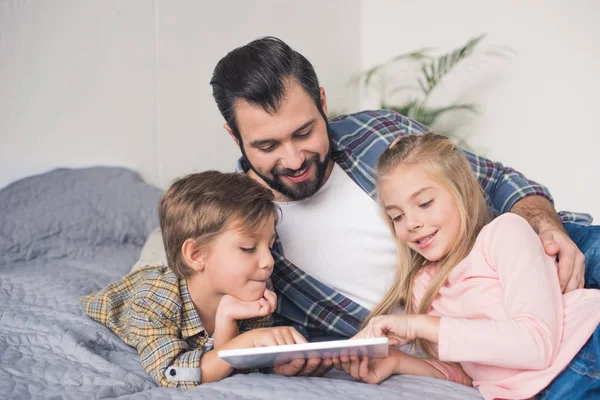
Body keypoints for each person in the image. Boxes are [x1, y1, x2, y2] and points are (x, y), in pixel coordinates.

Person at [208, 36, 600, 375]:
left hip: (547, 261)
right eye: (267, 146)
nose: (293, 159)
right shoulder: (236, 231)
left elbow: (494, 180)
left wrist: (545, 226)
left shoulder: (376, 133)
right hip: (485, 340)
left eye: (304, 132)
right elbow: (232, 336)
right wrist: (289, 359)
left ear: (322, 102)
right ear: (233, 135)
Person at [335, 132, 600, 399]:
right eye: (397, 216)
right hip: (542, 389)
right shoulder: (423, 287)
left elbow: (537, 344)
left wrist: (418, 325)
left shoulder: (504, 234)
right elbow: (470, 373)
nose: (411, 223)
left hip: (586, 348)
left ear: (465, 194)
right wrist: (397, 361)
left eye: (425, 203)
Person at [80, 171, 307, 388]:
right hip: (147, 277)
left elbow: (228, 365)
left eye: (270, 246)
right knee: (155, 254)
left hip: (191, 266)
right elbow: (175, 375)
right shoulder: (151, 301)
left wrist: (276, 365)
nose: (269, 261)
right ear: (196, 255)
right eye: (248, 248)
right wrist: (246, 342)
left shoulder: (256, 286)